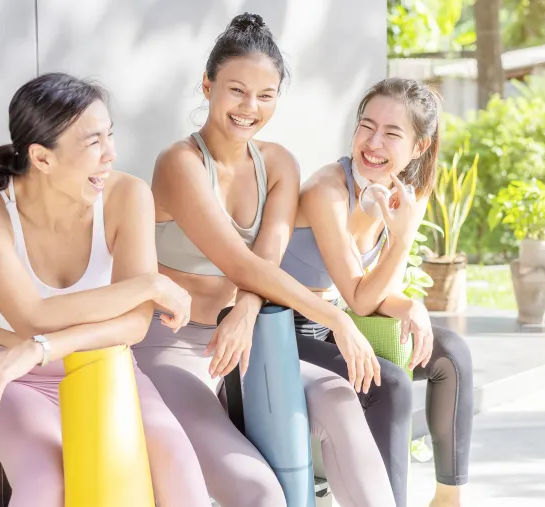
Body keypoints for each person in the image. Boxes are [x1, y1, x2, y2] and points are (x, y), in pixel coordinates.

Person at [132, 13, 395, 507]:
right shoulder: (179, 164)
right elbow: (241, 264)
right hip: (170, 352)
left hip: (248, 346)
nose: (250, 107)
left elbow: (266, 261)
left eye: (266, 95)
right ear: (207, 86)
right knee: (258, 492)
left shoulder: (278, 164)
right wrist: (336, 317)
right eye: (236, 90)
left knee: (338, 398)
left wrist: (247, 312)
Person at [0, 72, 210, 507]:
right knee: (48, 484)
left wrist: (38, 348)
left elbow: (132, 325)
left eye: (110, 136)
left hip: (107, 368)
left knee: (180, 472)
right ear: (42, 157)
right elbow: (30, 316)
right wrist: (147, 284)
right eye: (94, 142)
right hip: (19, 381)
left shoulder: (128, 195)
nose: (111, 154)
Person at [280, 77, 474, 507]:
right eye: (366, 126)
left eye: (391, 133)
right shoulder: (327, 190)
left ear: (418, 148)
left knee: (451, 354)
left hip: (334, 324)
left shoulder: (393, 194)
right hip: (284, 330)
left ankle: (448, 499)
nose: (373, 142)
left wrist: (412, 304)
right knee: (390, 385)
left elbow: (375, 292)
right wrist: (403, 238)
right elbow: (359, 297)